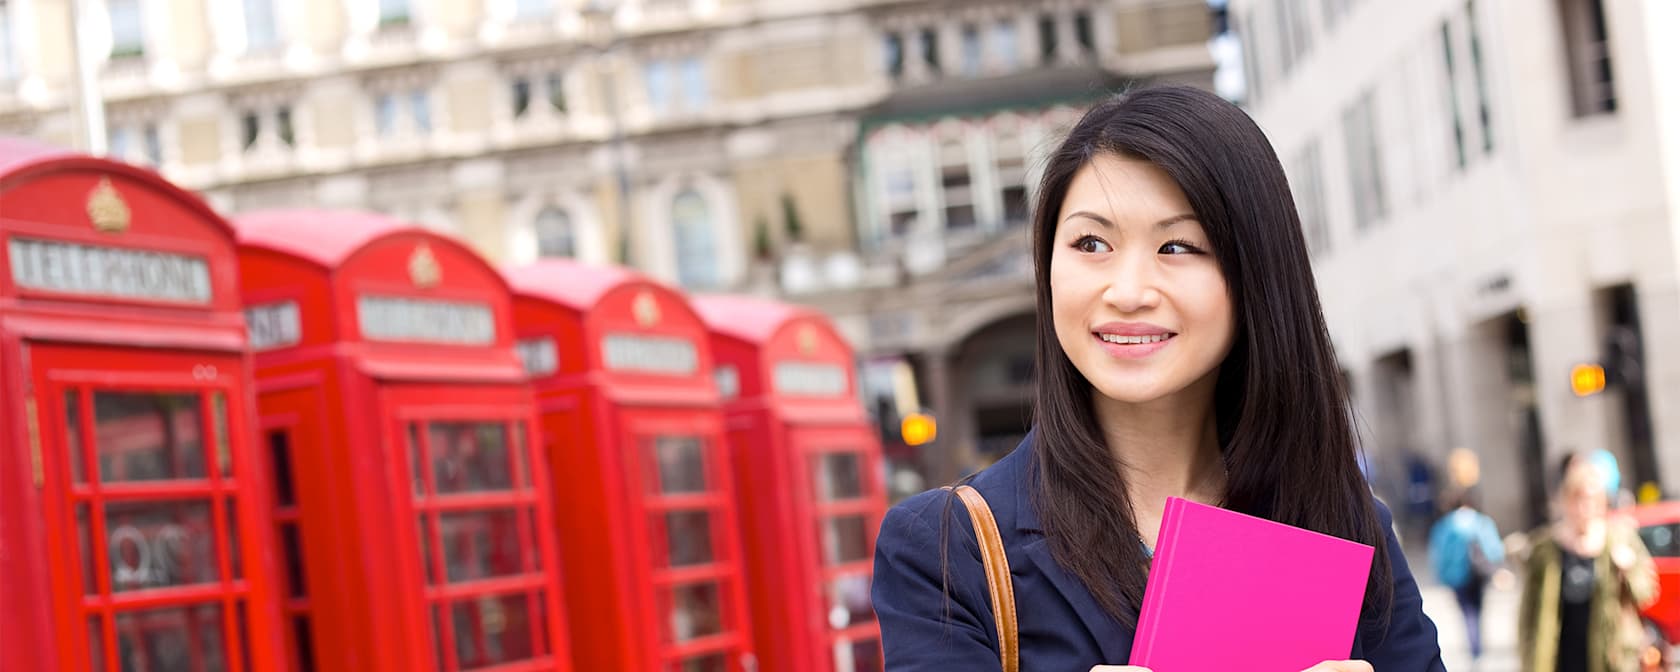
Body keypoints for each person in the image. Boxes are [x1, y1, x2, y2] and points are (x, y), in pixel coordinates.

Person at [870, 85, 1444, 671]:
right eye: (1091, 243)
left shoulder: (1346, 527)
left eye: (1178, 246)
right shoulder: (945, 550)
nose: (1127, 292)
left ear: (1256, 277)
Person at [1519, 454, 1658, 672]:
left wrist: (1628, 570)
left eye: (1592, 499)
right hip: (1560, 658)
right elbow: (1529, 613)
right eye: (1578, 499)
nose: (1585, 507)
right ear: (1566, 501)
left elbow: (1646, 594)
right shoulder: (1545, 549)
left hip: (1612, 658)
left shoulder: (1620, 539)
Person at [1428, 489, 1504, 661]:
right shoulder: (1481, 522)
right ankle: (1478, 644)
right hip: (1478, 574)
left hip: (1456, 576)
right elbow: (1494, 548)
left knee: (1467, 612)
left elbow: (1438, 553)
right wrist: (1497, 568)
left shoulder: (1444, 526)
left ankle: (1474, 646)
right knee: (1477, 609)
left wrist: (1441, 575)